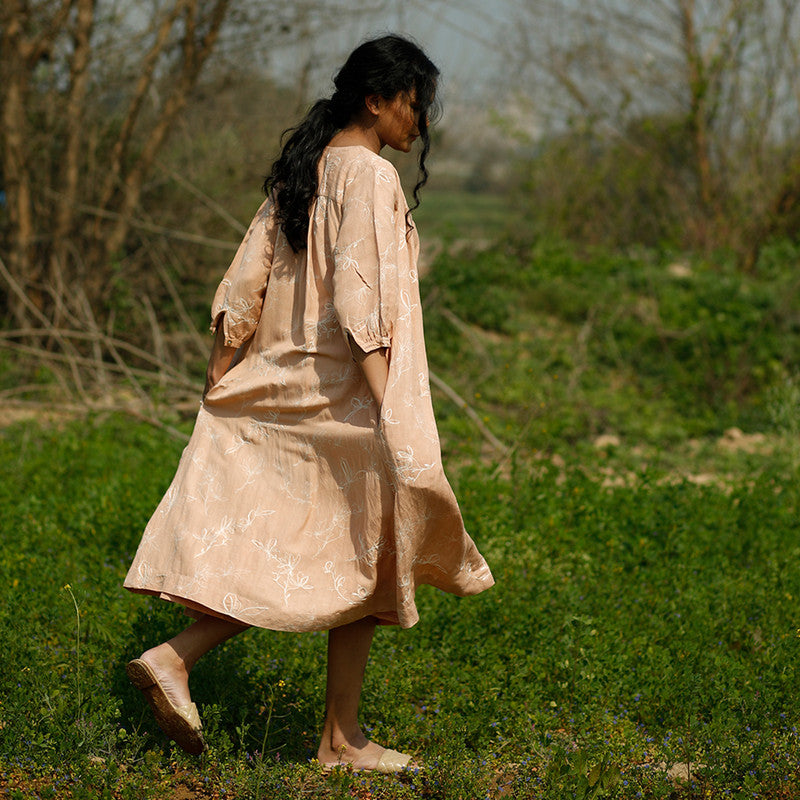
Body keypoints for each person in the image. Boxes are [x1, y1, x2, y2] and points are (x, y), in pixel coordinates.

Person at [123, 33, 494, 772]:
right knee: (363, 551)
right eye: (413, 104)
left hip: (281, 383)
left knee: (319, 553)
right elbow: (362, 301)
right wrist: (390, 407)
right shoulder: (370, 177)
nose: (418, 122)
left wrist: (220, 373)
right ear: (377, 98)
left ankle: (321, 729)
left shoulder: (303, 172)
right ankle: (322, 731)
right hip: (344, 397)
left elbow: (241, 284)